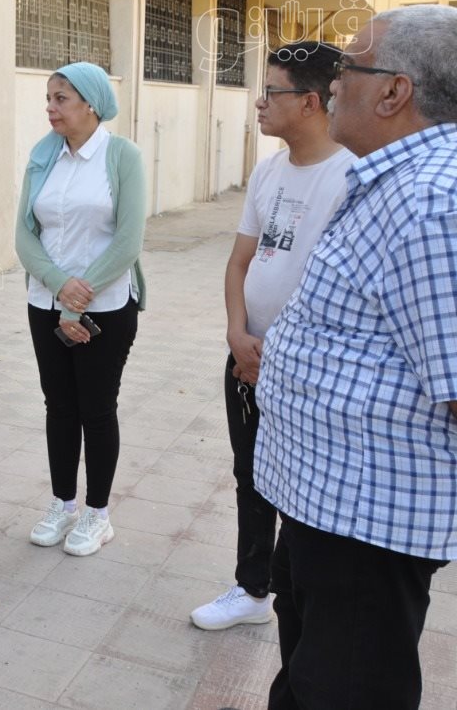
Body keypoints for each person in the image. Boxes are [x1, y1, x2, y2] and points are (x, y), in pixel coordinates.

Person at [255, 4, 457, 709]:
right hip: (328, 507)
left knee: (344, 690)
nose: (333, 81)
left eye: (349, 66)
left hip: (367, 527)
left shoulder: (433, 203)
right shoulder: (396, 182)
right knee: (308, 678)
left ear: (395, 91)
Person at [189, 42, 353, 631]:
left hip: (304, 367)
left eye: (271, 92)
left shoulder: (350, 177)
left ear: (310, 102)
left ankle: (296, 597)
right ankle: (252, 588)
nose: (259, 103)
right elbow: (240, 262)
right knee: (250, 473)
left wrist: (273, 353)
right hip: (246, 355)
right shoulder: (268, 171)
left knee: (302, 483)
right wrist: (237, 334)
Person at [15, 62, 145, 557]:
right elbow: (24, 234)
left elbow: (129, 240)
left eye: (61, 98)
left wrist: (79, 296)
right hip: (45, 303)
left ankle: (97, 514)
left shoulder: (122, 156)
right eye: (48, 99)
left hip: (104, 309)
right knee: (59, 406)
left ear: (90, 103)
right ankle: (63, 504)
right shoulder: (42, 155)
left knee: (97, 408)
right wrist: (58, 286)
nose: (50, 108)